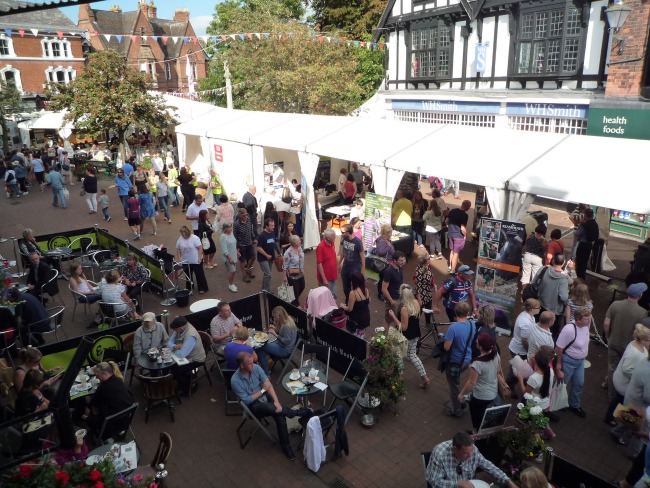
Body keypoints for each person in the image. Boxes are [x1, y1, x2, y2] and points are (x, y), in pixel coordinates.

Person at [231, 351, 312, 460]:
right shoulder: (235, 380)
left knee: (279, 414)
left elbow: (268, 384)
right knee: (271, 408)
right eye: (249, 364)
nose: (252, 365)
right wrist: (263, 390)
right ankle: (295, 413)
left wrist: (277, 402)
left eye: (252, 362)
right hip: (253, 406)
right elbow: (247, 400)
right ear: (242, 366)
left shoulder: (255, 368)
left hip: (263, 397)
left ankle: (286, 445)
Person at [604, 283, 649, 406]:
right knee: (622, 369)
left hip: (613, 342)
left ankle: (609, 389)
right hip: (629, 346)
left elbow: (607, 324)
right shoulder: (642, 313)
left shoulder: (615, 305)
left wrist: (608, 337)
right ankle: (614, 397)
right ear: (639, 296)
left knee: (612, 367)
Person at [425, 431, 517, 487]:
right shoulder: (439, 454)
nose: (470, 456)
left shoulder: (473, 450)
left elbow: (488, 466)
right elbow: (434, 482)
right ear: (455, 449)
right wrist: (458, 483)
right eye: (465, 453)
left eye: (471, 452)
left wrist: (507, 481)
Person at [605, 323, 650, 431]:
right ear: (643, 340)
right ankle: (615, 423)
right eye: (649, 339)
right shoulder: (635, 352)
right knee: (621, 402)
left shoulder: (637, 345)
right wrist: (638, 374)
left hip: (626, 383)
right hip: (623, 383)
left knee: (619, 401)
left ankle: (616, 423)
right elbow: (626, 368)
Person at [388, 284, 431, 389]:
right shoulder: (416, 303)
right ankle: (425, 377)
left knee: (398, 355)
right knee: (412, 356)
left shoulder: (404, 308)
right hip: (415, 334)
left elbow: (403, 327)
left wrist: (393, 316)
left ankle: (399, 377)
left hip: (405, 337)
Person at [554, 306, 592, 418]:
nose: (589, 320)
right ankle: (557, 403)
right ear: (578, 319)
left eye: (589, 318)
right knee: (562, 384)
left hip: (580, 362)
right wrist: (559, 364)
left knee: (579, 384)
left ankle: (574, 405)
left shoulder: (586, 326)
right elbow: (559, 348)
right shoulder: (569, 329)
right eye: (586, 318)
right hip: (568, 361)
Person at [459, 332, 500, 432]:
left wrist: (461, 394)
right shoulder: (496, 353)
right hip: (493, 391)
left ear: (480, 347)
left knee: (476, 413)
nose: (476, 341)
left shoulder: (477, 363)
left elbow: (471, 383)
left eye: (478, 341)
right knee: (482, 410)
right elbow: (498, 370)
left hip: (481, 395)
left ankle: (476, 431)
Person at [443, 302, 476, 417]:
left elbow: (447, 347)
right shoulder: (472, 325)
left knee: (454, 386)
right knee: (456, 381)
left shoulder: (453, 328)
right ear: (467, 313)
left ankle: (457, 409)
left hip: (455, 361)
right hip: (466, 359)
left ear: (455, 313)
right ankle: (460, 401)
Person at [84, 361, 135, 432]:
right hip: (127, 418)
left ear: (105, 373)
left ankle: (100, 435)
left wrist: (88, 415)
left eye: (98, 376)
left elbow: (94, 406)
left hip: (112, 422)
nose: (96, 377)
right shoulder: (119, 379)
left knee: (88, 418)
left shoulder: (103, 387)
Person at [518, 348, 556, 438]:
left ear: (536, 361)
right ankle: (549, 430)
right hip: (545, 402)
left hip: (534, 405)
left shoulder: (534, 378)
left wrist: (520, 380)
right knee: (541, 416)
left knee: (532, 423)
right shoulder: (550, 371)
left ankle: (535, 437)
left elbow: (525, 393)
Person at [167, 316, 207, 396]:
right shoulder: (180, 327)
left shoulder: (190, 336)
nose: (174, 331)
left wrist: (171, 351)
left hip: (196, 359)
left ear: (181, 328)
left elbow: (182, 354)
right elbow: (169, 342)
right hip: (187, 355)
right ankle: (183, 381)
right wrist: (174, 347)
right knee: (171, 366)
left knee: (176, 371)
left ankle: (189, 388)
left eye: (175, 330)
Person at [535, 253, 569, 340]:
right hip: (555, 312)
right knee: (551, 335)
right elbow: (564, 297)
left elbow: (534, 283)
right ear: (564, 262)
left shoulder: (544, 269)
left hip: (540, 306)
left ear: (553, 260)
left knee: (537, 329)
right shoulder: (563, 278)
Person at [257, 306, 298, 375]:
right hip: (282, 345)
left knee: (261, 347)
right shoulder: (288, 320)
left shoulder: (286, 326)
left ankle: (266, 373)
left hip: (285, 350)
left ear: (280, 316)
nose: (274, 319)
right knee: (261, 349)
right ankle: (266, 372)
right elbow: (283, 334)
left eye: (275, 317)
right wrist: (275, 328)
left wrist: (275, 334)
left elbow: (286, 342)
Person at [176, 225, 208, 294]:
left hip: (195, 260)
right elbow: (178, 248)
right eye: (181, 233)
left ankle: (202, 287)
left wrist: (199, 258)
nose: (182, 235)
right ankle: (189, 287)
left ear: (187, 232)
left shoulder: (194, 238)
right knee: (188, 275)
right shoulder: (180, 238)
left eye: (183, 233)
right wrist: (179, 257)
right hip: (186, 261)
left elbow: (200, 248)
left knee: (199, 274)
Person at [338, 223, 365, 301]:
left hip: (355, 268)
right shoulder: (344, 239)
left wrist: (363, 271)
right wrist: (339, 263)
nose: (341, 234)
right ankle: (348, 300)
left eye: (343, 232)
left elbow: (362, 257)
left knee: (355, 287)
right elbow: (343, 251)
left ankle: (355, 303)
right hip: (346, 267)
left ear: (348, 232)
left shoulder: (358, 242)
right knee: (346, 288)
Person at [340, 271, 370, 338]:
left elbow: (349, 309)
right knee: (361, 336)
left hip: (356, 321)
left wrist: (342, 305)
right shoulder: (366, 290)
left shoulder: (353, 293)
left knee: (354, 338)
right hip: (365, 318)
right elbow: (368, 301)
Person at [446, 200, 471, 274]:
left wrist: (449, 227)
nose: (469, 208)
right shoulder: (465, 215)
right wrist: (465, 235)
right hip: (458, 236)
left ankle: (450, 266)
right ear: (466, 206)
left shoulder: (453, 210)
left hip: (451, 233)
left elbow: (447, 220)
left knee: (452, 251)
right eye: (469, 207)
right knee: (456, 253)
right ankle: (453, 270)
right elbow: (462, 228)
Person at [382, 250, 406, 324]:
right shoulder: (389, 271)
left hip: (400, 298)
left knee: (398, 318)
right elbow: (384, 289)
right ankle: (384, 335)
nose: (403, 262)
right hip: (393, 300)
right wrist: (392, 302)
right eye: (401, 260)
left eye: (403, 260)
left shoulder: (400, 268)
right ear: (394, 260)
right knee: (388, 320)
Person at [372, 223, 395, 301]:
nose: (391, 234)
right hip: (384, 264)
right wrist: (388, 248)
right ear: (387, 232)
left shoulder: (387, 240)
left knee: (385, 280)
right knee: (383, 280)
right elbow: (380, 252)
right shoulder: (382, 241)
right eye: (390, 232)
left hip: (388, 263)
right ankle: (380, 294)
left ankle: (383, 293)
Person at [574, 207, 599, 279]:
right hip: (589, 245)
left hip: (582, 245)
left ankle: (579, 278)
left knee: (579, 263)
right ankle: (582, 277)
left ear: (586, 215)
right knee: (585, 262)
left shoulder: (584, 225)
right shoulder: (595, 224)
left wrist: (580, 224)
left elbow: (577, 234)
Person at [234, 208, 257, 283]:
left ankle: (247, 269)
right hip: (241, 245)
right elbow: (235, 236)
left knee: (253, 257)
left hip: (249, 243)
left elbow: (251, 230)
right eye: (244, 215)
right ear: (240, 215)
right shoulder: (236, 224)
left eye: (246, 215)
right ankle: (244, 275)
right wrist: (237, 247)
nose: (246, 217)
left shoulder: (249, 220)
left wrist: (254, 238)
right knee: (242, 260)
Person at [414, 253, 435, 327]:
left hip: (428, 293)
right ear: (425, 261)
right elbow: (418, 286)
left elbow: (430, 277)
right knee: (419, 311)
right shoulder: (419, 271)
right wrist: (419, 299)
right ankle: (414, 325)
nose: (430, 260)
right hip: (421, 294)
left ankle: (428, 323)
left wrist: (433, 285)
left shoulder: (428, 267)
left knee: (428, 309)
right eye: (429, 258)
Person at [283, 234, 305, 306]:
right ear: (294, 243)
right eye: (298, 240)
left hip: (300, 273)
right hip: (292, 276)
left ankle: (293, 298)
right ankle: (295, 304)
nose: (300, 240)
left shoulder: (299, 248)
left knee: (302, 286)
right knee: (295, 291)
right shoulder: (288, 253)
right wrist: (285, 277)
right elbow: (285, 266)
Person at [257, 218, 278, 293]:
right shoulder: (262, 236)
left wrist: (277, 255)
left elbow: (273, 244)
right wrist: (266, 255)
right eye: (271, 226)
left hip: (270, 258)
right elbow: (259, 248)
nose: (273, 227)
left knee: (267, 274)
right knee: (268, 274)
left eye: (273, 225)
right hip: (262, 258)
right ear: (266, 226)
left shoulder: (272, 233)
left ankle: (264, 290)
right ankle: (266, 291)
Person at [316, 229, 338, 297]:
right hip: (326, 278)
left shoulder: (332, 243)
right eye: (333, 236)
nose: (335, 237)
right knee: (325, 298)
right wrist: (324, 279)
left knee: (333, 296)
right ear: (328, 238)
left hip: (333, 276)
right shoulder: (321, 247)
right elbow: (319, 264)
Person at [220, 222, 239, 293]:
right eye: (229, 227)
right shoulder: (223, 237)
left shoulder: (231, 234)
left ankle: (232, 283)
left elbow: (234, 244)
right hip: (228, 256)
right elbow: (224, 249)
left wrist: (237, 252)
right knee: (232, 270)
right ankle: (230, 285)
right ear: (225, 229)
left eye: (231, 227)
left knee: (234, 271)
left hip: (234, 255)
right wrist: (229, 258)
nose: (231, 228)